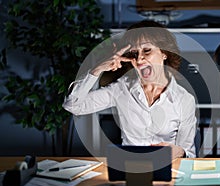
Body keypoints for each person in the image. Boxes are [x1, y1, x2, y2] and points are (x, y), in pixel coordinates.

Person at [63, 20, 197, 159]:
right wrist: (98, 68)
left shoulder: (184, 99)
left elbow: (189, 154)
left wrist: (179, 152)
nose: (139, 59)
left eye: (147, 51)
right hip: (130, 168)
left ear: (164, 53)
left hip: (168, 168)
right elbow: (73, 105)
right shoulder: (122, 88)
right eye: (134, 53)